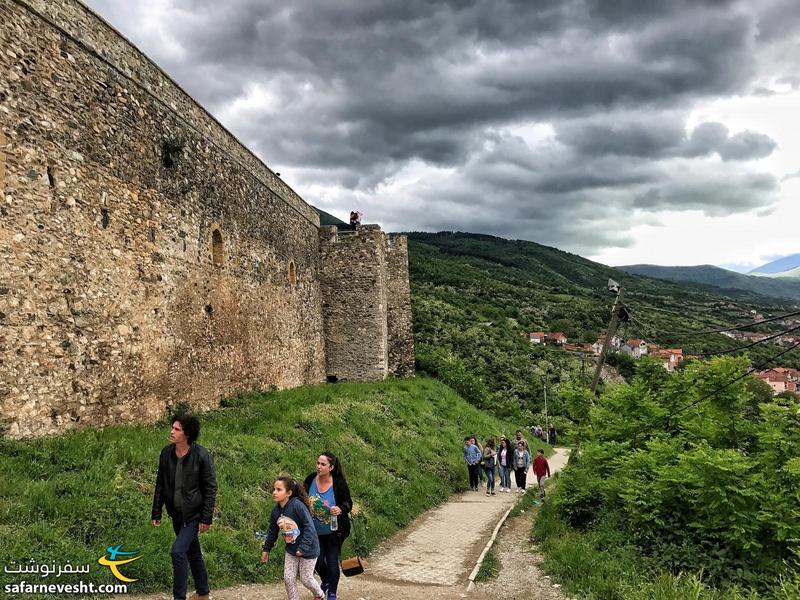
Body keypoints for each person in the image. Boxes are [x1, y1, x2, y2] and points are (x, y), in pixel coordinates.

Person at [151, 414, 217, 600]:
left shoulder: (201, 455)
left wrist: (206, 518)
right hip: (176, 513)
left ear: (187, 434)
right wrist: (157, 511)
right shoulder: (166, 453)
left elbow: (210, 488)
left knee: (178, 552)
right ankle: (203, 591)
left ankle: (178, 597)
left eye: (177, 429)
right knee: (193, 551)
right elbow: (160, 484)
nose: (172, 431)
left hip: (194, 514)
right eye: (172, 427)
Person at [261, 476, 325, 600]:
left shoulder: (297, 506)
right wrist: (266, 549)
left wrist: (303, 548)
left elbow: (310, 528)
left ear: (289, 493)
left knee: (306, 579)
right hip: (291, 549)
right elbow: (272, 532)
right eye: (274, 489)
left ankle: (320, 595)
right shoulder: (275, 512)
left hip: (309, 548)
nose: (274, 492)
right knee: (288, 579)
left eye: (279, 490)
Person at [304, 452, 353, 600]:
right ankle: (326, 581)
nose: (319, 467)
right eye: (318, 463)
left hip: (334, 531)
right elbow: (302, 497)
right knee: (317, 562)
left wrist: (340, 509)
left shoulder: (338, 483)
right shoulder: (311, 479)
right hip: (314, 531)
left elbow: (348, 503)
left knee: (332, 562)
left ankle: (332, 592)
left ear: (331, 467)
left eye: (323, 464)